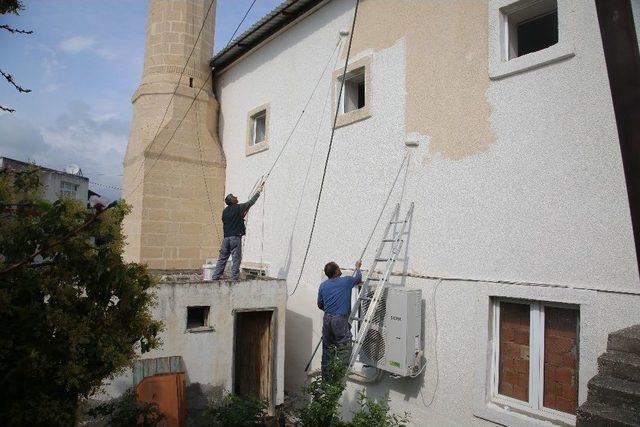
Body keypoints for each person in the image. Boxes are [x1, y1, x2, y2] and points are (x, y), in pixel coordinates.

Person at [317, 259, 362, 379]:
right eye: (338, 268)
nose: (340, 269)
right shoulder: (346, 281)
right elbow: (358, 278)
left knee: (327, 349)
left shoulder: (323, 285)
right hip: (339, 319)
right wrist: (357, 267)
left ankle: (326, 379)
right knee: (344, 345)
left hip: (327, 318)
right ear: (336, 272)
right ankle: (339, 376)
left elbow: (320, 305)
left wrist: (331, 310)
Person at [211, 182, 264, 281]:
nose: (236, 197)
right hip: (235, 238)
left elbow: (231, 221)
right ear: (232, 201)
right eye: (234, 197)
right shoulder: (238, 207)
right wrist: (258, 191)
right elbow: (250, 202)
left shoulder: (225, 211)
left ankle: (215, 276)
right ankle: (234, 278)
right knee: (236, 259)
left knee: (222, 258)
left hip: (226, 239)